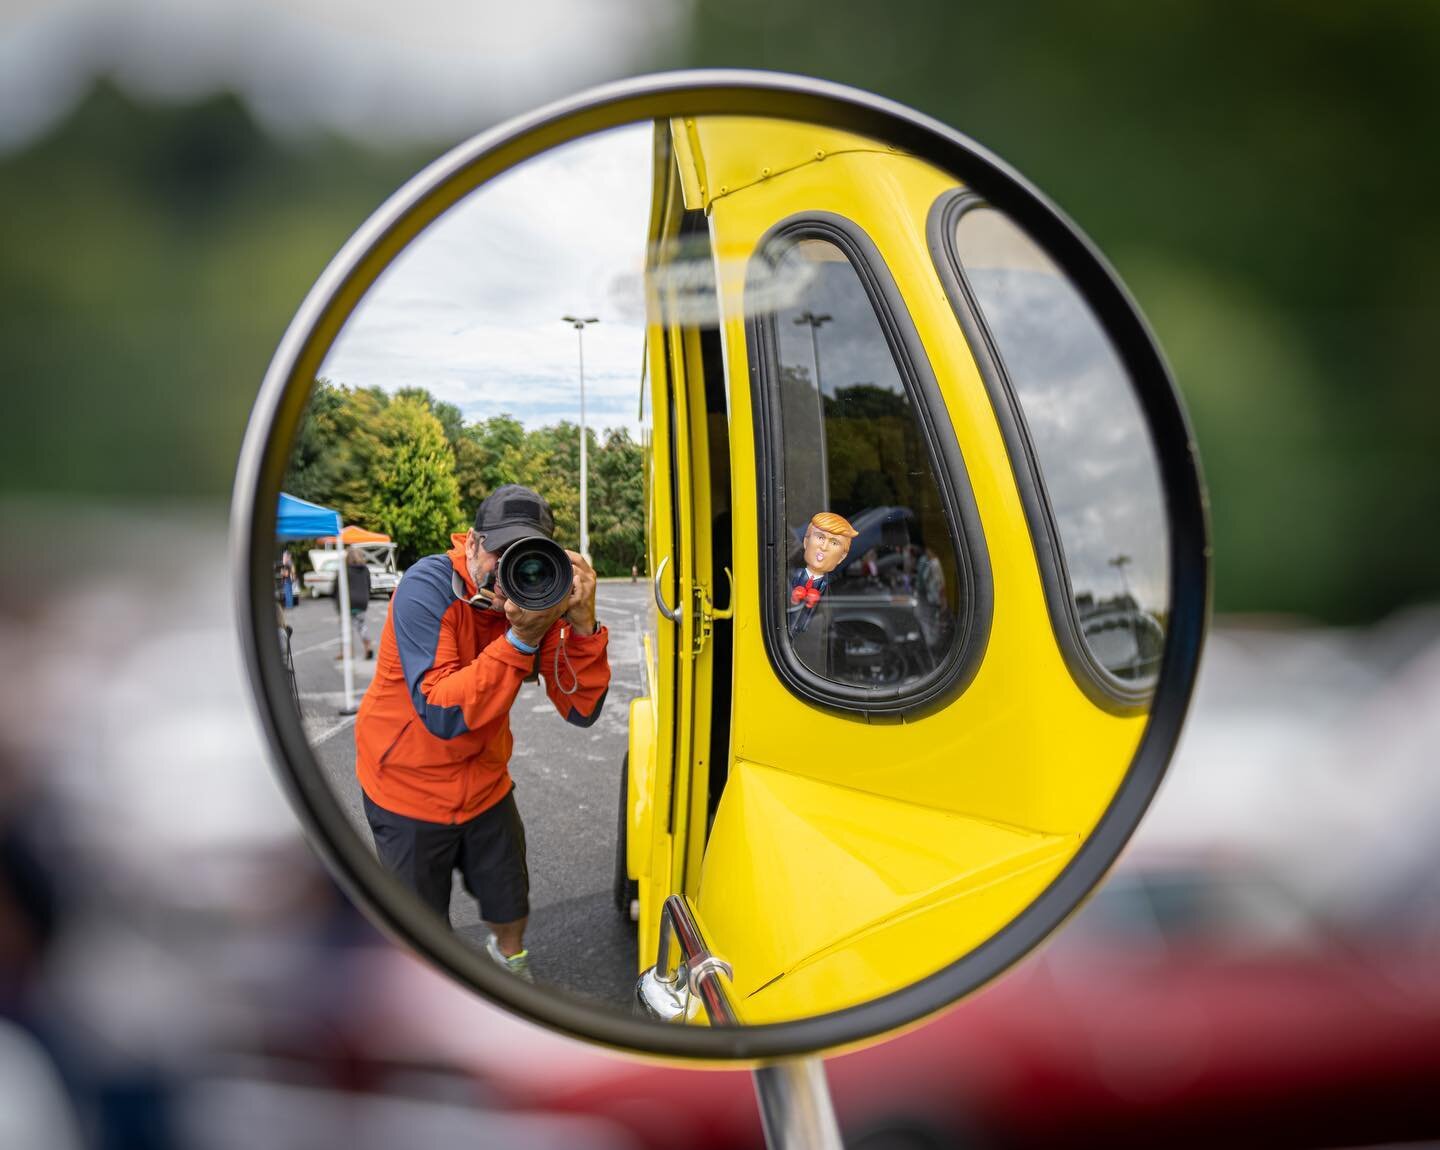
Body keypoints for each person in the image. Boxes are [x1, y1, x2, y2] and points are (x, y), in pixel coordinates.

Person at [353, 485, 610, 981]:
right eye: (499, 551)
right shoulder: (429, 586)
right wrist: (520, 639)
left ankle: (509, 959)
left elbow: (581, 708)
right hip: (406, 787)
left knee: (509, 894)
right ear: (470, 543)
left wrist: (581, 624)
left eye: (526, 555)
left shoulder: (539, 600)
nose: (507, 570)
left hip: (485, 783)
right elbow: (441, 710)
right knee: (420, 925)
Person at [788, 511, 858, 635]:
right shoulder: (793, 577)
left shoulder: (823, 583)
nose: (824, 547)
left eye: (834, 543)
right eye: (820, 537)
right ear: (806, 542)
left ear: (842, 556)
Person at [333, 547, 373, 660]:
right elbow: (369, 585)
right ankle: (368, 647)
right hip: (362, 602)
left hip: (348, 602)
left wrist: (336, 601)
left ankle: (347, 652)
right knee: (361, 626)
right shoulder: (365, 569)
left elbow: (337, 587)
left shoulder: (344, 570)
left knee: (345, 628)